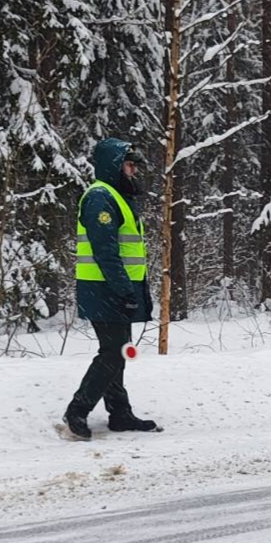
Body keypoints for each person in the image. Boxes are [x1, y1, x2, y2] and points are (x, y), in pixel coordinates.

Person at [63, 138, 157, 440]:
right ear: (114, 166)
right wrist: (124, 290)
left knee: (119, 351)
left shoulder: (115, 196)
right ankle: (77, 410)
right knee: (113, 354)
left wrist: (133, 290)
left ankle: (119, 413)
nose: (133, 171)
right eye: (129, 165)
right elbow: (106, 251)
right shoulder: (100, 198)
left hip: (113, 288)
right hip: (104, 289)